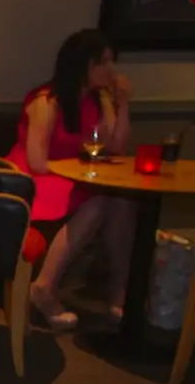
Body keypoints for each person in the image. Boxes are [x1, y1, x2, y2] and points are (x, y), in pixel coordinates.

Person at [8, 29, 136, 329]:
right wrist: (79, 171)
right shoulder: (46, 101)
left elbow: (117, 147)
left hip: (71, 177)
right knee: (97, 202)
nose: (111, 70)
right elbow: (37, 162)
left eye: (111, 61)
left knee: (123, 200)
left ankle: (120, 290)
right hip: (34, 179)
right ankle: (45, 286)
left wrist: (121, 105)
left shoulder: (94, 101)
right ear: (82, 64)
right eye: (102, 62)